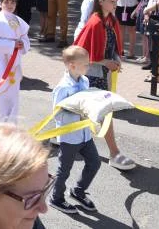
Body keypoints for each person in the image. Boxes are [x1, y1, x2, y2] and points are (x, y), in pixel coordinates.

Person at [74, 0, 136, 170]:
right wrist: (105, 62)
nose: (115, 3)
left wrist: (115, 60)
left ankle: (65, 136)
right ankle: (114, 153)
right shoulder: (94, 22)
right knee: (104, 112)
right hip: (91, 74)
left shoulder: (111, 20)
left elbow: (113, 47)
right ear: (100, 1)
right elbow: (84, 52)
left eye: (116, 0)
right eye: (112, 0)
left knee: (84, 109)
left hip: (102, 73)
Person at [49, 46, 101, 214]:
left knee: (94, 162)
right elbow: (57, 115)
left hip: (85, 134)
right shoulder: (63, 88)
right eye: (85, 64)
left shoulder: (84, 81)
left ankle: (78, 191)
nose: (88, 67)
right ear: (72, 65)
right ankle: (56, 198)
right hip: (70, 137)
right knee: (64, 169)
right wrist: (77, 113)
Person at [0, 0, 31, 125]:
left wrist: (22, 44)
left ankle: (11, 121)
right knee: (0, 89)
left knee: (13, 90)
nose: (9, 5)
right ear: (0, 4)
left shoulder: (17, 20)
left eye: (12, 2)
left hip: (14, 62)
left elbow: (25, 38)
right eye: (6, 2)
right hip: (0, 62)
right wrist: (11, 44)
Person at [131, 0, 157, 66]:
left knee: (147, 35)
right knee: (142, 34)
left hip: (148, 12)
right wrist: (136, 11)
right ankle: (143, 55)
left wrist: (148, 13)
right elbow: (141, 1)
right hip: (142, 11)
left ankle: (147, 56)